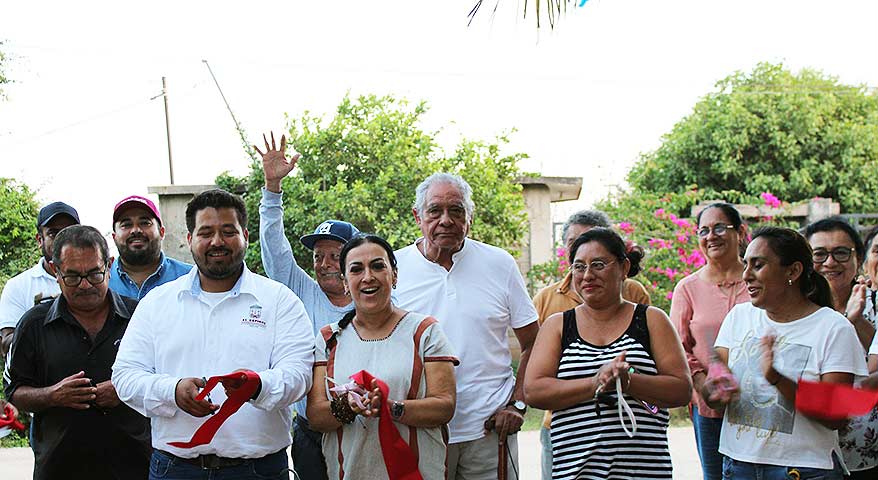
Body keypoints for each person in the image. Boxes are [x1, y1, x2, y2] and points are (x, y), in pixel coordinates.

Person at [112, 189, 315, 479]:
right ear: (189, 239)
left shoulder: (279, 300)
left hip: (259, 470)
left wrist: (257, 386)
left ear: (245, 236)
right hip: (175, 470)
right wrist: (172, 391)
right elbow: (125, 376)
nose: (217, 241)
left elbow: (299, 375)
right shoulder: (157, 303)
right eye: (206, 232)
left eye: (228, 232)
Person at [394, 172, 539, 480]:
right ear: (417, 216)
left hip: (489, 432)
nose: (446, 220)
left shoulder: (499, 264)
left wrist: (518, 404)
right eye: (435, 210)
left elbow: (532, 342)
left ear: (469, 217)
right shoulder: (393, 269)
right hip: (421, 431)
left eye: (456, 210)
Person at [525, 227, 691, 480]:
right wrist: (596, 383)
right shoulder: (557, 326)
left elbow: (681, 390)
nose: (587, 275)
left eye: (598, 265)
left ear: (624, 268)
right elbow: (534, 391)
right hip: (576, 473)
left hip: (644, 472)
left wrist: (629, 381)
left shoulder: (651, 320)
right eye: (579, 267)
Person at [707, 227, 867, 479]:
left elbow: (837, 417)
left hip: (804, 469)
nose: (746, 275)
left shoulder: (834, 328)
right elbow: (714, 394)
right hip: (738, 465)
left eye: (758, 265)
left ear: (793, 271)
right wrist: (714, 390)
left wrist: (777, 379)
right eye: (745, 264)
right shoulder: (738, 317)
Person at [306, 233, 458, 479]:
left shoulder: (424, 331)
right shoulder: (329, 338)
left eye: (378, 266)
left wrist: (390, 408)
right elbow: (315, 416)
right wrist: (347, 407)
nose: (368, 277)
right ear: (345, 282)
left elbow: (444, 406)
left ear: (394, 275)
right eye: (356, 269)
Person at [4, 225, 151, 479]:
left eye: (94, 274)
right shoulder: (33, 325)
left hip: (135, 468)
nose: (84, 285)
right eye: (72, 276)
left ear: (109, 265)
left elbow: (167, 377)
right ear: (55, 271)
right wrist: (52, 395)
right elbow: (14, 391)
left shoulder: (141, 317)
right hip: (59, 470)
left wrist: (126, 389)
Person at [255, 132, 360, 479]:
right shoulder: (303, 290)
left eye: (335, 255)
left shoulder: (375, 303)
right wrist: (272, 188)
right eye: (318, 256)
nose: (324, 263)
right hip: (309, 431)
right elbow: (275, 247)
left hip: (363, 428)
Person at [531, 209, 651, 479]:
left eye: (598, 259)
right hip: (562, 424)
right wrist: (592, 382)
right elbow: (536, 381)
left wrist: (626, 376)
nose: (586, 251)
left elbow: (651, 364)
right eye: (575, 243)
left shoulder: (635, 295)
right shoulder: (546, 300)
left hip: (628, 425)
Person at [670, 202, 750, 480]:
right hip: (709, 408)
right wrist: (704, 385)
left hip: (760, 403)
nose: (711, 236)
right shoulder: (687, 288)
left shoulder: (758, 280)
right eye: (703, 231)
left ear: (740, 232)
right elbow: (678, 347)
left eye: (719, 228)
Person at [804, 217, 878, 478]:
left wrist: (856, 321)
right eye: (819, 254)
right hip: (809, 454)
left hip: (867, 454)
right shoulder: (794, 309)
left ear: (858, 258)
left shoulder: (872, 303)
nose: (830, 262)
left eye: (841, 253)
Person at [0, 201, 79, 359]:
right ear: (39, 240)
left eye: (69, 231)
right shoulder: (18, 286)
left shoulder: (99, 280)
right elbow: (6, 344)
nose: (63, 239)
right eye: (53, 233)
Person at [108, 195, 192, 300]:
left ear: (162, 232)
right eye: (126, 224)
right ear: (114, 237)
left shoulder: (190, 277)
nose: (136, 230)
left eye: (145, 223)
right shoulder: (101, 281)